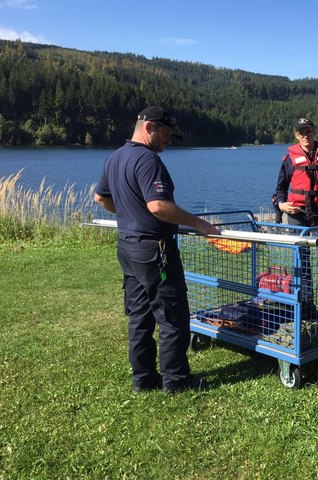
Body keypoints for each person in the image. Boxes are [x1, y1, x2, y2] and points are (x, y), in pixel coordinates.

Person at [94, 106, 220, 394]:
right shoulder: (147, 160)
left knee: (140, 315)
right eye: (166, 133)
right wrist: (200, 223)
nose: (169, 140)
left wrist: (130, 214)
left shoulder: (115, 157)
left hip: (128, 247)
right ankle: (176, 382)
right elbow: (159, 206)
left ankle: (143, 379)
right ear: (149, 127)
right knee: (172, 315)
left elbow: (100, 197)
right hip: (155, 252)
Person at [274, 117, 318, 315]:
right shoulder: (289, 159)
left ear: (314, 132)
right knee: (302, 262)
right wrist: (282, 205)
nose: (306, 135)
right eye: (301, 132)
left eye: (309, 131)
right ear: (296, 135)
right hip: (297, 215)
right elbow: (280, 189)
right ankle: (306, 307)